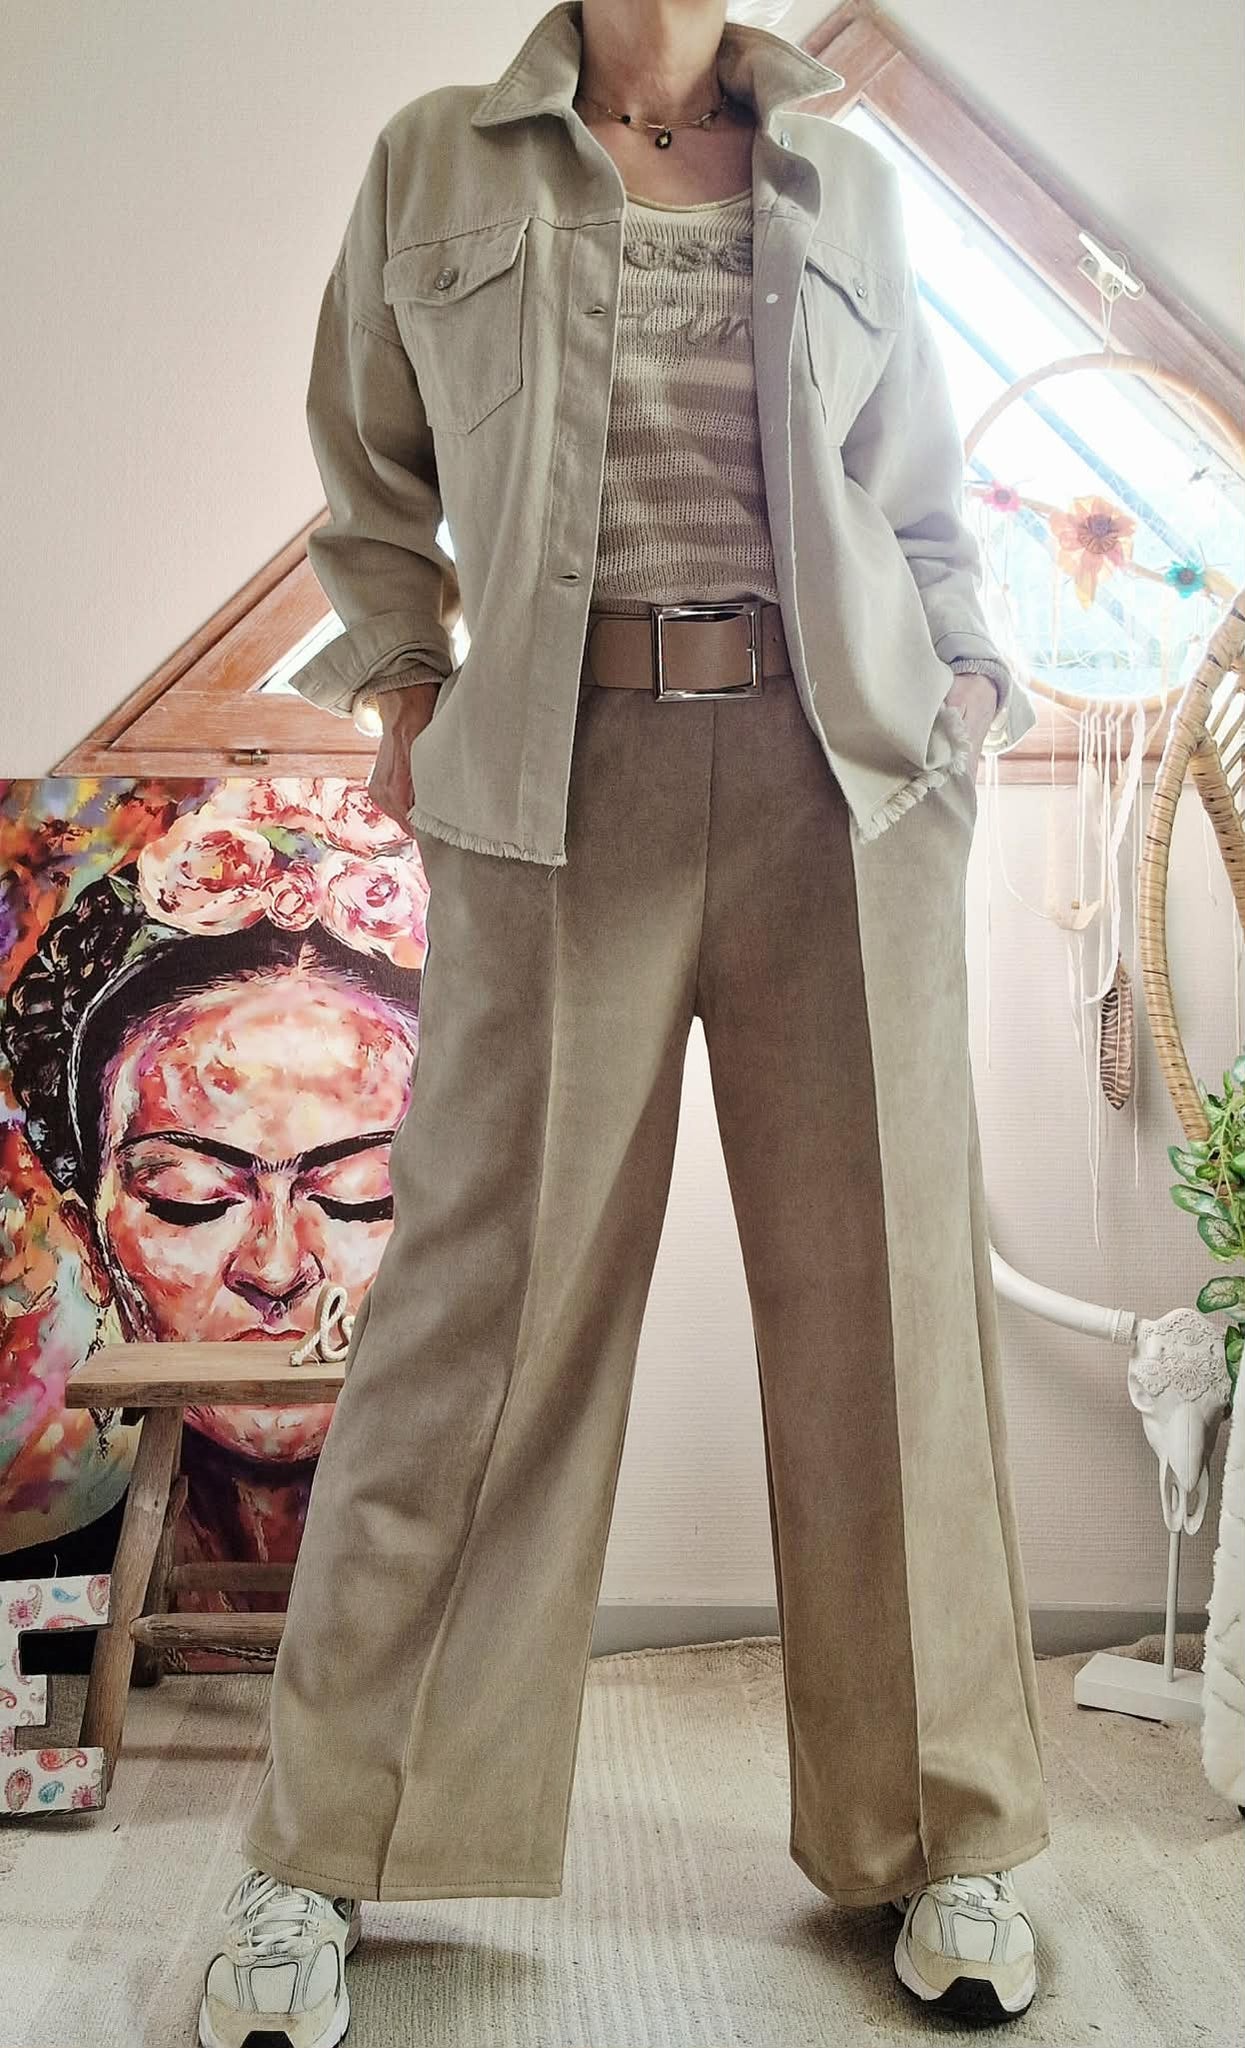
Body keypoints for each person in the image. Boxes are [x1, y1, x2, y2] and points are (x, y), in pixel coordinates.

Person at [199, 2, 1051, 2040]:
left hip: (838, 787)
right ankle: (320, 1851)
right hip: (548, 786)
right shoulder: (438, 155)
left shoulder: (846, 175)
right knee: (470, 1321)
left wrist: (957, 694)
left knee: (887, 1321)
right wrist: (408, 683)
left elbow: (916, 499)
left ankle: (939, 1838)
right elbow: (367, 467)